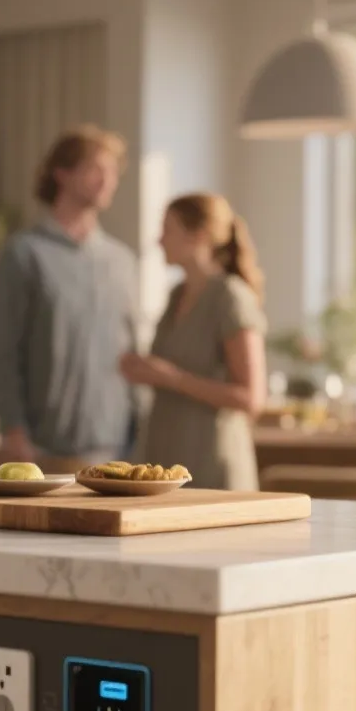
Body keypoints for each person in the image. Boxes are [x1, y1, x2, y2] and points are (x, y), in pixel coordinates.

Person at [0, 125, 137, 474]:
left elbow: (132, 348)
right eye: (96, 169)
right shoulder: (25, 254)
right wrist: (13, 427)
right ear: (62, 173)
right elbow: (4, 350)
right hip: (42, 447)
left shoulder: (122, 260)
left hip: (116, 446)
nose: (108, 180)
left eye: (113, 171)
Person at [121, 194, 267, 490]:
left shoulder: (230, 297)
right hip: (167, 460)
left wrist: (171, 378)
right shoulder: (176, 295)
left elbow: (251, 398)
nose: (159, 240)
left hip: (212, 463)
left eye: (168, 230)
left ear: (198, 236)